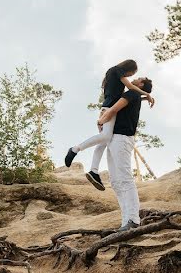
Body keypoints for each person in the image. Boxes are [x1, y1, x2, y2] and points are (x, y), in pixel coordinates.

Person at [64, 60, 154, 190]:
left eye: (136, 76)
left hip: (109, 106)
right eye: (133, 73)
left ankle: (94, 171)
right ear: (129, 68)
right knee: (105, 137)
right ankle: (75, 149)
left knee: (104, 141)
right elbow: (131, 89)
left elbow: (130, 97)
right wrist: (147, 94)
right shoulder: (117, 71)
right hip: (109, 108)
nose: (132, 76)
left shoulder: (115, 73)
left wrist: (145, 97)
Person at [99, 77, 152, 231]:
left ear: (141, 84)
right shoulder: (134, 95)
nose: (134, 79)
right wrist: (146, 96)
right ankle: (125, 222)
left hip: (122, 139)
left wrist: (101, 121)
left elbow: (113, 109)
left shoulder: (131, 94)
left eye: (138, 78)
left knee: (125, 178)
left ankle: (134, 220)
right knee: (115, 182)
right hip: (115, 139)